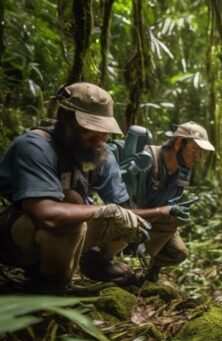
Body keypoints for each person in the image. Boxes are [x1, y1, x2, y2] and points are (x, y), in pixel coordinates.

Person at [0, 82, 151, 288]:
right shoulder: (35, 147)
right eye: (90, 128)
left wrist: (137, 227)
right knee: (70, 221)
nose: (100, 138)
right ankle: (51, 288)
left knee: (126, 221)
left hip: (63, 233)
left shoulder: (101, 154)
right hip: (15, 236)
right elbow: (46, 214)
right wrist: (103, 210)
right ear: (66, 120)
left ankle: (96, 262)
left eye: (104, 130)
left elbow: (122, 206)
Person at [100, 121, 215, 282]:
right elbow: (120, 210)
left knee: (178, 252)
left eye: (201, 152)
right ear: (178, 142)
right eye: (195, 149)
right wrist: (161, 212)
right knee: (121, 227)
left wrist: (173, 211)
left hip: (148, 219)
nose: (198, 157)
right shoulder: (144, 161)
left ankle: (150, 273)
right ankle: (100, 261)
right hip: (123, 218)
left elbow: (169, 205)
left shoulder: (183, 173)